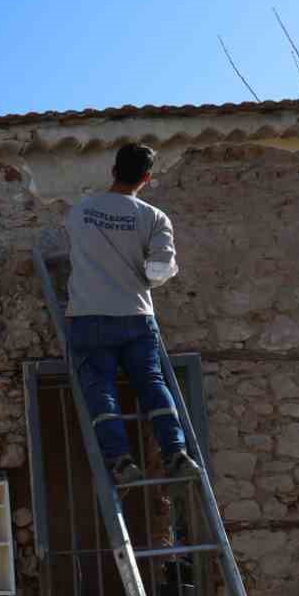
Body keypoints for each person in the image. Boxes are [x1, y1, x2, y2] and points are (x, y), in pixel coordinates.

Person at [65, 143, 203, 485]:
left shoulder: (80, 211)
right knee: (153, 384)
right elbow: (157, 272)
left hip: (88, 315)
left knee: (101, 389)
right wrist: (168, 269)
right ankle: (176, 452)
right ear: (146, 177)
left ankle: (120, 461)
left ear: (113, 170)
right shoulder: (154, 218)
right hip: (135, 315)